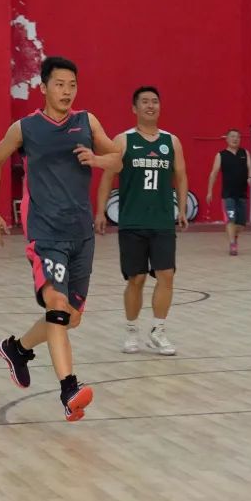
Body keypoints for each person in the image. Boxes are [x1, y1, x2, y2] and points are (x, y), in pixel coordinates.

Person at [0, 56, 122, 422]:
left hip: (81, 235)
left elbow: (117, 159)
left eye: (72, 85)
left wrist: (98, 160)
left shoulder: (87, 122)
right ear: (44, 87)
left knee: (70, 317)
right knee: (57, 304)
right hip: (45, 234)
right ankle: (69, 390)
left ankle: (17, 349)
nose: (66, 91)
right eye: (59, 84)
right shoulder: (25, 128)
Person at [96, 86, 188, 357]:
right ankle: (131, 330)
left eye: (155, 101)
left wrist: (182, 209)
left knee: (166, 275)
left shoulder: (172, 141)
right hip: (132, 222)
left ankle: (158, 331)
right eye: (145, 102)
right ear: (134, 108)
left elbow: (181, 176)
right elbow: (107, 177)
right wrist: (100, 212)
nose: (150, 105)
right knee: (136, 279)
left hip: (162, 221)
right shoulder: (123, 141)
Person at [206, 128, 251, 255]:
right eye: (232, 136)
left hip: (242, 194)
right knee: (230, 220)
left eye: (237, 137)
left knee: (241, 224)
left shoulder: (245, 153)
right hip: (228, 195)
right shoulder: (221, 155)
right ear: (227, 139)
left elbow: (250, 167)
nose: (235, 139)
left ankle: (234, 236)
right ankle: (233, 244)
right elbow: (213, 174)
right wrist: (209, 191)